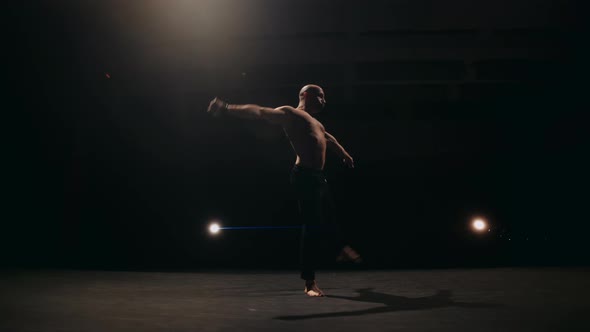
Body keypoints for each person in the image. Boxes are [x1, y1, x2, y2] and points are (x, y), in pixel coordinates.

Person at [207, 84, 361, 297]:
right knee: (312, 225)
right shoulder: (291, 114)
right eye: (321, 96)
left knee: (330, 216)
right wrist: (226, 107)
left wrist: (344, 154)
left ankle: (339, 249)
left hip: (318, 177)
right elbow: (260, 112)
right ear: (307, 95)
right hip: (305, 176)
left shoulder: (316, 122)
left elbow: (329, 138)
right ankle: (309, 282)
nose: (325, 101)